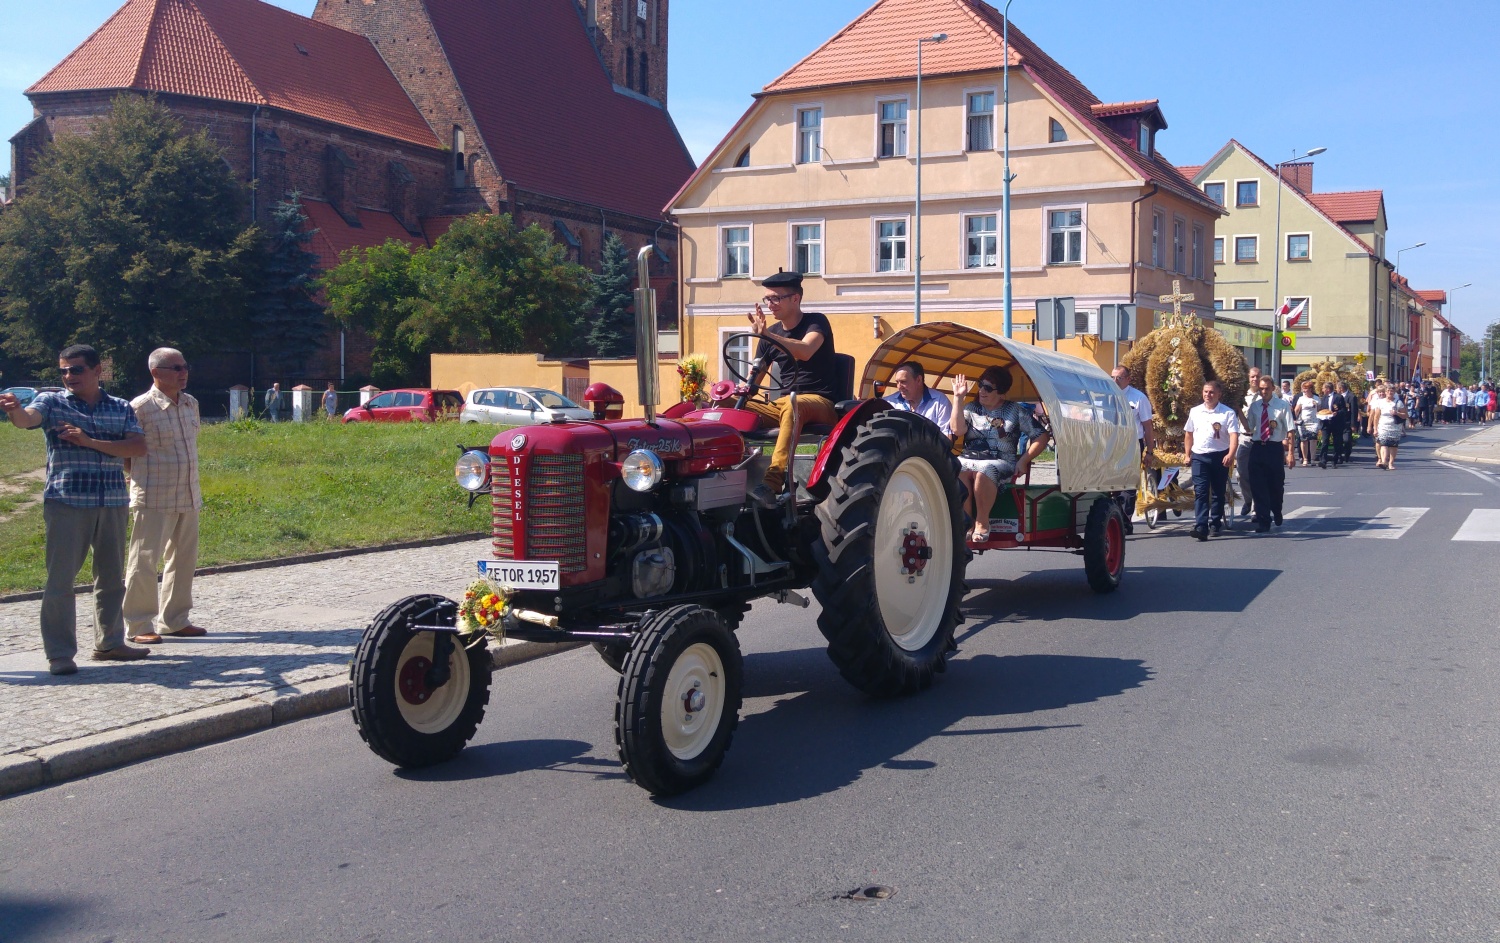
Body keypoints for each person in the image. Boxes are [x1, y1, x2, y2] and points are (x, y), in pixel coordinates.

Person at [0, 344, 149, 675]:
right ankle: (60, 654)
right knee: (60, 581)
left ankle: (110, 643)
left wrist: (90, 442)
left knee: (111, 579)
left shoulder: (121, 407)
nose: (69, 376)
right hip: (67, 502)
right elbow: (28, 419)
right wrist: (14, 410)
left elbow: (137, 447)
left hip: (111, 501)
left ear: (98, 371)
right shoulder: (52, 402)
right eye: (64, 370)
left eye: (77, 369)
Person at [122, 348, 208, 645]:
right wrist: (133, 480)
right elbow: (127, 450)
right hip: (154, 494)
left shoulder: (190, 403)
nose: (183, 372)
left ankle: (174, 620)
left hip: (188, 491)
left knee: (184, 560)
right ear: (156, 372)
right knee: (144, 561)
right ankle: (138, 624)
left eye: (185, 366)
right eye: (175, 367)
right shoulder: (140, 407)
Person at [741, 271, 840, 508]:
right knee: (725, 407)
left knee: (793, 404)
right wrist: (737, 392)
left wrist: (767, 335)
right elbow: (753, 382)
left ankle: (773, 481)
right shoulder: (769, 334)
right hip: (784, 404)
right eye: (767, 300)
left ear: (795, 299)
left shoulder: (817, 322)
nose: (769, 305)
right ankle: (729, 473)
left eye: (775, 299)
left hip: (820, 402)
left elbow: (806, 350)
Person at [952, 367, 1049, 542]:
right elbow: (957, 430)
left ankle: (982, 521)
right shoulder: (971, 408)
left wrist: (1024, 459)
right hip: (971, 457)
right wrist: (958, 399)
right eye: (981, 386)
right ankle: (967, 521)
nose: (982, 391)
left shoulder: (1014, 410)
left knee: (986, 469)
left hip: (1001, 461)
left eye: (988, 388)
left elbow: (1041, 436)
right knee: (955, 467)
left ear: (1002, 393)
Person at [1183, 380, 1240, 541]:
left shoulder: (1227, 413)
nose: (1208, 395)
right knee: (1200, 491)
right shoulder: (1195, 411)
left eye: (1211, 392)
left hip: (1220, 456)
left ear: (1219, 394)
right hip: (1199, 456)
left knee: (1217, 492)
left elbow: (1234, 435)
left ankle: (1215, 522)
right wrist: (1187, 454)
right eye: (1205, 392)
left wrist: (1231, 453)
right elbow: (1189, 433)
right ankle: (1201, 525)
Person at [1244, 374, 1295, 532]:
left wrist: (1291, 454)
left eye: (1266, 389)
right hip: (1258, 446)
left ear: (1273, 388)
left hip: (1274, 448)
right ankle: (1263, 521)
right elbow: (1248, 428)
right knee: (1258, 486)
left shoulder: (1282, 405)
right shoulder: (1255, 406)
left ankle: (1277, 509)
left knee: (1276, 485)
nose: (1263, 392)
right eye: (1261, 389)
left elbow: (1291, 430)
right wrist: (1239, 410)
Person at [1110, 365, 1154, 535]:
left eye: (1119, 378)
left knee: (1128, 484)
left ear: (1128, 379)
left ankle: (1125, 519)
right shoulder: (1105, 395)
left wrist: (1149, 451)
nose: (1114, 381)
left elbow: (1147, 427)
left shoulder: (1138, 398)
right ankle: (1115, 517)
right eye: (1112, 377)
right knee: (1110, 482)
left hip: (1132, 443)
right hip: (1111, 443)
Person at [884, 360, 952, 435]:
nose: (899, 387)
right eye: (897, 382)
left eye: (903, 382)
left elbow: (946, 438)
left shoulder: (940, 401)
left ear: (919, 380)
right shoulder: (888, 403)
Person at [1236, 366, 1266, 519]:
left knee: (1258, 473)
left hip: (1261, 438)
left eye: (1257, 376)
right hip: (1244, 437)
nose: (1255, 379)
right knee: (1241, 474)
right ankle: (1248, 500)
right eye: (1252, 376)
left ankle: (1256, 508)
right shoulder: (1241, 396)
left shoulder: (1265, 395)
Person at [1370, 381, 1408, 470]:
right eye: (1388, 391)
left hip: (1395, 426)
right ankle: (1384, 462)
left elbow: (1405, 415)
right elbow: (1376, 417)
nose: (1389, 393)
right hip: (1383, 426)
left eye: (1391, 391)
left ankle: (1391, 463)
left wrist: (1397, 413)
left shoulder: (1398, 402)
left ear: (1394, 392)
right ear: (1386, 392)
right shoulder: (1380, 402)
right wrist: (1375, 428)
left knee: (1393, 445)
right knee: (1383, 443)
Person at [1317, 382, 1346, 468]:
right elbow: (1322, 409)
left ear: (1328, 389)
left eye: (1323, 388)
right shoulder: (1324, 398)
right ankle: (1323, 460)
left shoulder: (1339, 397)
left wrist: (1337, 413)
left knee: (1336, 442)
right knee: (1325, 441)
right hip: (1326, 423)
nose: (1322, 390)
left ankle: (1335, 459)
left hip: (1336, 423)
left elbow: (1344, 410)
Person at [1292, 380, 1321, 467]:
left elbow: (1319, 410)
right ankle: (1305, 459)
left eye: (1306, 389)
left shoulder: (1316, 398)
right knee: (1304, 440)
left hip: (1314, 421)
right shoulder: (1301, 399)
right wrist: (1294, 419)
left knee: (1313, 439)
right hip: (1303, 421)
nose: (1304, 391)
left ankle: (1312, 459)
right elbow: (1296, 410)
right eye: (1303, 389)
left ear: (1311, 389)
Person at [1336, 381, 1359, 463]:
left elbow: (1354, 411)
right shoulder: (1337, 396)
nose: (1336, 389)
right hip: (1338, 422)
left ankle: (1347, 454)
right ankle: (1339, 456)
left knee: (1347, 440)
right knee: (1338, 440)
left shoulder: (1351, 397)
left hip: (1347, 422)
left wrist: (1353, 424)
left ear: (1341, 388)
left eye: (1337, 388)